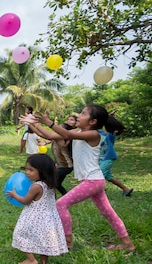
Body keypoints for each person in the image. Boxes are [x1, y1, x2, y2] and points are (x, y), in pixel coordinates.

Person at [22, 104, 136, 252]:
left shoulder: (94, 134)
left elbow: (68, 135)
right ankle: (127, 243)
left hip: (92, 181)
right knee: (108, 213)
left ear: (92, 121)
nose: (79, 116)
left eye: (83, 113)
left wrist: (49, 122)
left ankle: (68, 242)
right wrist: (33, 124)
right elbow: (49, 136)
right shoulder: (79, 131)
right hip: (95, 181)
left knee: (61, 204)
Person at [6, 154, 68, 264]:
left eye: (31, 170)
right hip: (48, 219)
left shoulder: (36, 186)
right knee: (42, 242)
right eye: (27, 169)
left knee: (19, 234)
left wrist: (14, 194)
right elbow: (53, 198)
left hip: (35, 218)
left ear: (42, 171)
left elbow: (25, 201)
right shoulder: (50, 184)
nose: (27, 172)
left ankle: (31, 259)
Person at [99, 115, 133, 196]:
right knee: (109, 177)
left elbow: (111, 126)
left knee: (99, 175)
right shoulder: (101, 133)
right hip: (102, 158)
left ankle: (100, 193)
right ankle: (126, 189)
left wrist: (109, 118)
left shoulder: (111, 135)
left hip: (108, 158)